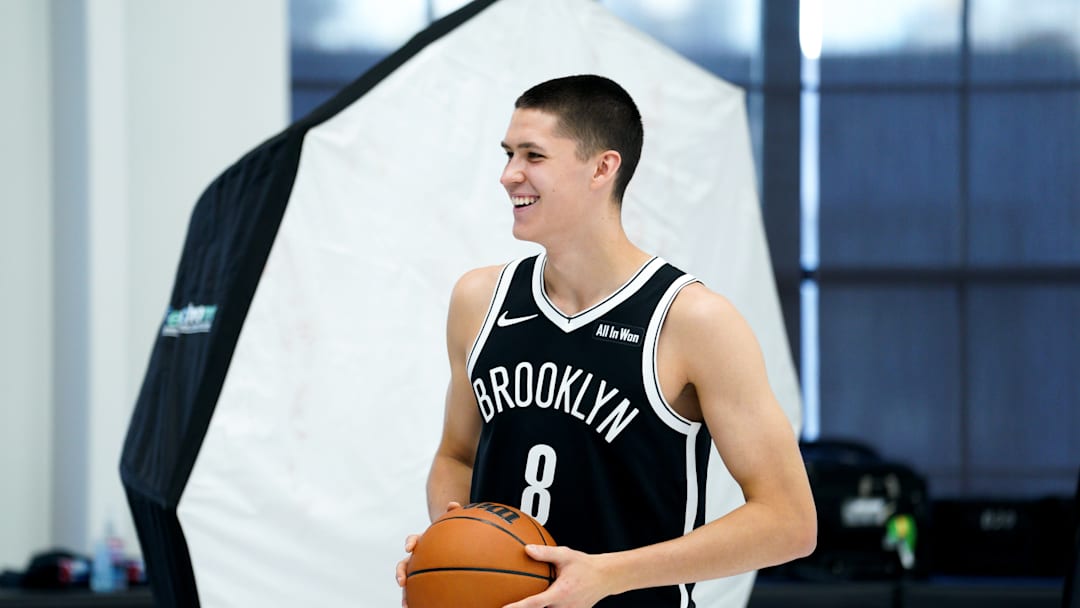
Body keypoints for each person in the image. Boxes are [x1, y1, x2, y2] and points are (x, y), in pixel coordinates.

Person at [396, 74, 816, 607]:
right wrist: (453, 547)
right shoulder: (479, 300)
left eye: (533, 155)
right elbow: (456, 457)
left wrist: (606, 575)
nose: (508, 175)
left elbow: (789, 520)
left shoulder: (692, 320)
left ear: (602, 168)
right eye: (508, 154)